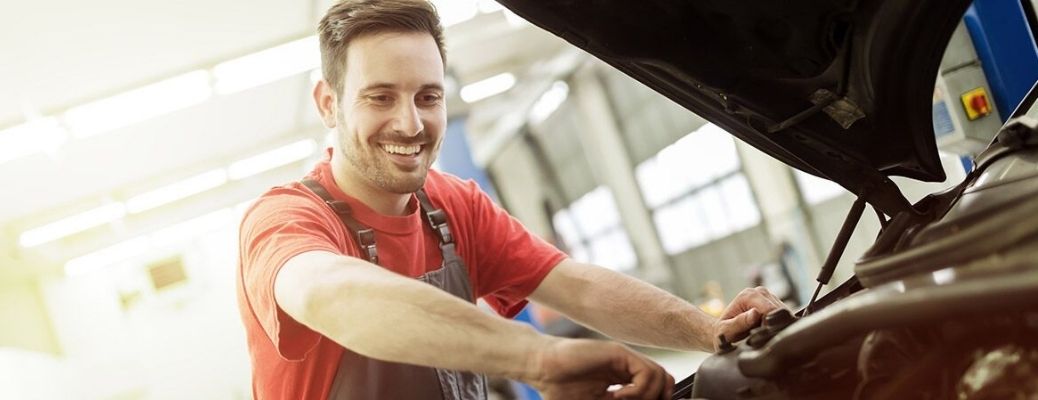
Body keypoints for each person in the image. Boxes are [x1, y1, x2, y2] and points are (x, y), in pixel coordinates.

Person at [235, 1, 788, 399]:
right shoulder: (286, 219)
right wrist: (539, 357)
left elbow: (576, 286)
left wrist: (708, 331)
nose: (411, 123)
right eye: (380, 97)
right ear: (328, 103)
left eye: (428, 97)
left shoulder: (453, 207)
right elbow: (332, 294)